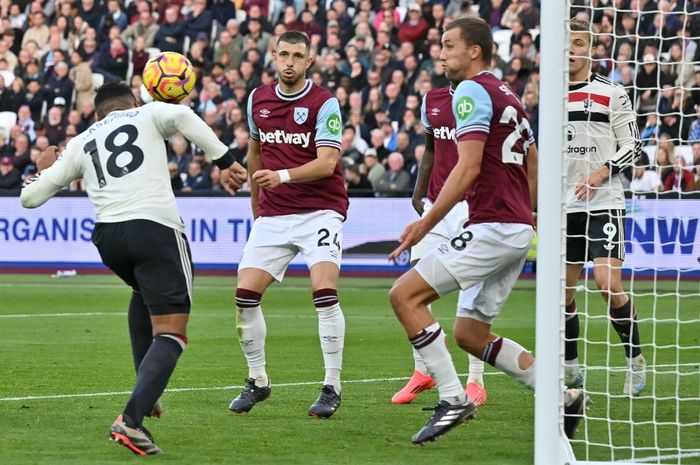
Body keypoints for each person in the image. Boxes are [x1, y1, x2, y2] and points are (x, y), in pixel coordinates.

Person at [20, 82, 247, 455]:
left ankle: (148, 386)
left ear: (97, 115)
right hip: (154, 228)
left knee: (144, 293)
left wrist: (42, 169)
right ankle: (131, 420)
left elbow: (30, 198)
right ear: (134, 102)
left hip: (109, 238)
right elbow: (185, 114)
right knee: (173, 331)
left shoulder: (80, 141)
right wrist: (227, 162)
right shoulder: (150, 112)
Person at [387, 17, 585, 444]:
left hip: (494, 224)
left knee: (404, 296)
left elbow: (468, 166)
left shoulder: (472, 91)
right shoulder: (507, 92)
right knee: (469, 334)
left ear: (474, 50)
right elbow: (535, 162)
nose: (440, 53)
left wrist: (425, 223)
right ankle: (562, 396)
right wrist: (524, 213)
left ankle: (453, 399)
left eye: (448, 45)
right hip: (513, 227)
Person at [228, 31, 348, 419]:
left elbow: (328, 162)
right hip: (274, 214)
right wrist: (257, 211)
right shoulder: (257, 99)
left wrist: (281, 177)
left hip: (320, 210)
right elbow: (254, 154)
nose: (290, 62)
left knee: (324, 291)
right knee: (244, 295)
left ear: (309, 60)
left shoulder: (324, 102)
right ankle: (257, 381)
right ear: (273, 57)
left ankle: (332, 386)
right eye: (284, 54)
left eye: (298, 55)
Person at [390, 81, 487, 407]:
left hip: (471, 203)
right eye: (442, 48)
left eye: (450, 47)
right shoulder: (431, 98)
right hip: (435, 204)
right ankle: (424, 371)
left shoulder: (484, 97)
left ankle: (476, 379)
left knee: (472, 286)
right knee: (414, 285)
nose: (443, 56)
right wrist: (418, 194)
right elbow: (431, 148)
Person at [565, 18, 646, 396]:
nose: (571, 50)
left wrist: (603, 171)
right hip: (563, 206)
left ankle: (635, 362)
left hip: (604, 201)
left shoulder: (611, 92)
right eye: (566, 43)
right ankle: (570, 370)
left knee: (607, 285)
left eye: (578, 43)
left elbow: (634, 145)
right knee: (561, 294)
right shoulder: (549, 97)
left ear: (591, 49)